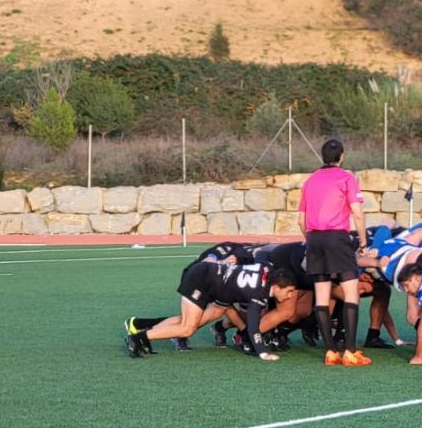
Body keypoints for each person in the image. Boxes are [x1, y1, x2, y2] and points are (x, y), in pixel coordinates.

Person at [123, 262, 297, 361]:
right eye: (288, 291)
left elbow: (259, 266)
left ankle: (143, 333)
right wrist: (262, 351)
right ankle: (137, 338)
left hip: (215, 285)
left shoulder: (267, 271)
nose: (289, 296)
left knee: (196, 320)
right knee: (187, 328)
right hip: (203, 279)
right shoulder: (259, 293)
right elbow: (253, 326)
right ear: (276, 286)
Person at [298, 138, 371, 367]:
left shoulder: (310, 181)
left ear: (322, 157)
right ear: (342, 157)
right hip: (337, 238)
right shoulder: (347, 178)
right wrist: (363, 241)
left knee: (321, 296)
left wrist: (310, 239)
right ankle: (350, 351)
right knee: (351, 292)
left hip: (314, 238)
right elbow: (357, 214)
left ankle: (330, 351)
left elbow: (301, 220)